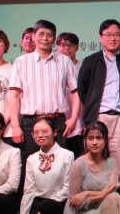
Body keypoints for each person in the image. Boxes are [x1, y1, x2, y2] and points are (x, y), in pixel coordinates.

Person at [77, 20, 120, 175]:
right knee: (96, 156)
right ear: (101, 37)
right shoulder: (91, 61)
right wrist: (93, 107)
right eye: (108, 34)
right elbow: (83, 90)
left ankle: (119, 187)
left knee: (119, 157)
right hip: (99, 116)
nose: (113, 38)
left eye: (117, 35)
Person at [8, 20, 79, 157]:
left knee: (59, 162)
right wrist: (15, 126)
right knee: (30, 162)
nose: (45, 38)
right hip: (30, 123)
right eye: (41, 34)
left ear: (54, 39)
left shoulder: (64, 61)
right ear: (34, 36)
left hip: (57, 122)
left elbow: (75, 91)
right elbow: (14, 96)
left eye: (49, 35)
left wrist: (74, 118)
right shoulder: (21, 61)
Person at [63, 121, 120, 214]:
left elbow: (111, 189)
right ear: (85, 140)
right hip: (81, 212)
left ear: (105, 140)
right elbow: (74, 201)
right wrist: (102, 194)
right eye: (90, 138)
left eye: (99, 138)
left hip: (103, 207)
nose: (94, 142)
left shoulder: (111, 163)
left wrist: (87, 193)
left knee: (113, 197)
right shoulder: (78, 165)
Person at [16, 118, 73, 214]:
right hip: (38, 203)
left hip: (59, 202)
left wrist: (47, 206)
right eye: (36, 132)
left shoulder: (67, 155)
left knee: (47, 206)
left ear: (54, 132)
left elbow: (68, 187)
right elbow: (29, 191)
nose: (40, 135)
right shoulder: (32, 159)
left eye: (44, 131)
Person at [56, 32, 84, 157]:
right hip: (59, 118)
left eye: (71, 45)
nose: (67, 48)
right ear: (57, 47)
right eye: (63, 45)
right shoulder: (52, 67)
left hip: (79, 120)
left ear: (77, 47)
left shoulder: (83, 67)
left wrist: (84, 122)